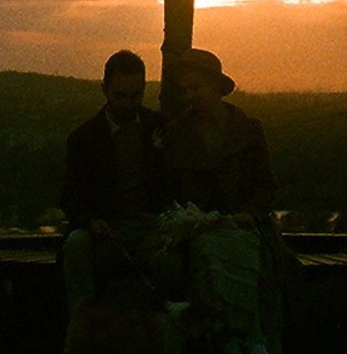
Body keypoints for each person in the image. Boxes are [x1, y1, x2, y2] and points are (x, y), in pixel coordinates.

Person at [163, 49, 283, 354]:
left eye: (197, 87)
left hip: (243, 226)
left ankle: (247, 336)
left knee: (254, 262)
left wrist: (251, 214)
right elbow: (170, 190)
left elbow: (266, 186)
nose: (191, 95)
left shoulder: (249, 129)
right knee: (207, 253)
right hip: (200, 230)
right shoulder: (177, 133)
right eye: (186, 89)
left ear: (216, 87)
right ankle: (237, 338)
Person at [60, 49, 167, 316]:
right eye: (121, 96)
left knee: (173, 262)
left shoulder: (161, 128)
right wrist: (91, 221)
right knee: (76, 245)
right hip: (106, 229)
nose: (130, 104)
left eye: (136, 96)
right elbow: (71, 197)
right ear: (104, 89)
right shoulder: (84, 138)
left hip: (152, 227)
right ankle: (82, 323)